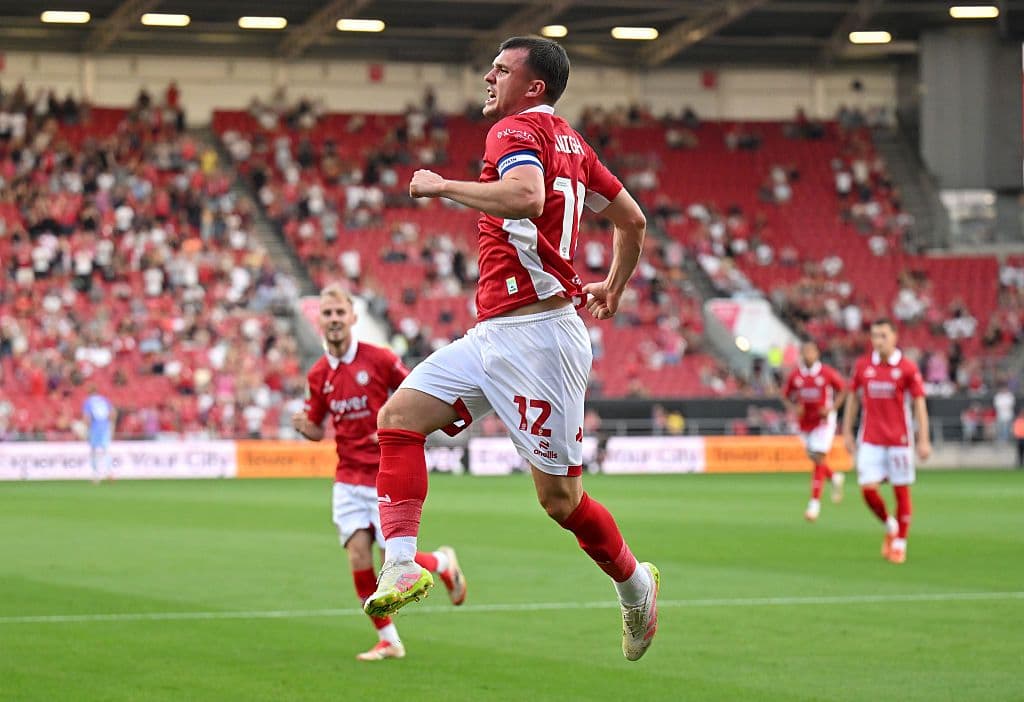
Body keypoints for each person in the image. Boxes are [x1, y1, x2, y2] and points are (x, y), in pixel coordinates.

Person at [364, 36, 659, 661]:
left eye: (502, 69)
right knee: (398, 418)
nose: (488, 77)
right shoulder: (574, 145)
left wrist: (443, 186)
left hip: (541, 342)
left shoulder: (515, 131)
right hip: (495, 331)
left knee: (560, 501)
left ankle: (635, 585)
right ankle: (401, 566)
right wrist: (614, 285)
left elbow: (526, 197)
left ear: (534, 87)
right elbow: (631, 221)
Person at [292, 284, 467, 662]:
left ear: (353, 318)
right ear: (319, 321)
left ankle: (441, 563)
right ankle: (390, 639)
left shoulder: (381, 360)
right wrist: (304, 426)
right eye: (327, 314)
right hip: (347, 477)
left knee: (396, 558)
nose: (334, 319)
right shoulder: (319, 374)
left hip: (382, 474)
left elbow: (414, 393)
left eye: (340, 312)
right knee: (358, 555)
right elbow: (316, 428)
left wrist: (390, 426)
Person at [842, 319, 931, 565]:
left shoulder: (907, 368)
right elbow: (853, 399)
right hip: (870, 438)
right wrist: (847, 432)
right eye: (874, 336)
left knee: (901, 491)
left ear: (894, 337)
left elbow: (919, 404)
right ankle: (890, 525)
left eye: (882, 335)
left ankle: (900, 543)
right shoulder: (862, 366)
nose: (877, 341)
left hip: (899, 440)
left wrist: (923, 438)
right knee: (867, 489)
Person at [781, 340, 847, 522]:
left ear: (817, 353)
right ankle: (834, 477)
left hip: (823, 421)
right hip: (805, 423)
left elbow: (843, 389)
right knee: (815, 457)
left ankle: (814, 504)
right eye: (805, 351)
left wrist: (832, 408)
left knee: (818, 457)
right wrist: (794, 408)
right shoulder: (796, 375)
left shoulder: (826, 372)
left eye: (811, 351)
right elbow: (785, 395)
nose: (808, 354)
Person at [82, 386, 116, 483]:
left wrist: (87, 429)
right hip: (105, 428)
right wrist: (110, 424)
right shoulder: (104, 400)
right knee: (106, 450)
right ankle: (110, 472)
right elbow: (113, 413)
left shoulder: (88, 402)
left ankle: (96, 474)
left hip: (95, 428)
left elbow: (86, 417)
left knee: (93, 451)